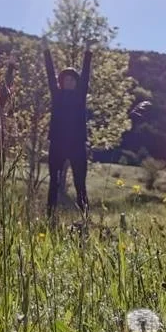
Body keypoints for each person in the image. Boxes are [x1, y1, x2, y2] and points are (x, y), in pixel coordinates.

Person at [44, 44, 93, 220]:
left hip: (77, 145)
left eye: (72, 79)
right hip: (57, 144)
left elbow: (85, 76)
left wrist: (88, 54)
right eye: (66, 79)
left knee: (80, 183)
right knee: (54, 183)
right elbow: (50, 75)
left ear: (76, 82)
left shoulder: (80, 96)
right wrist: (46, 52)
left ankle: (85, 219)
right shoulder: (57, 95)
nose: (69, 81)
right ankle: (50, 219)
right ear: (62, 82)